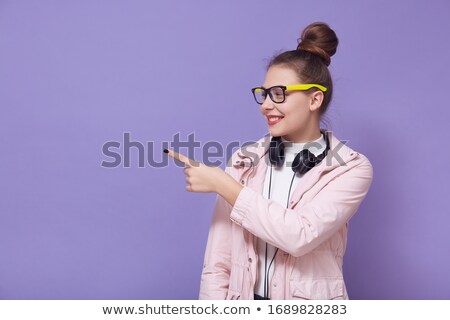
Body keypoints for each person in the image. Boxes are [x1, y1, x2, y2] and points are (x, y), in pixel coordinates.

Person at [165, 22, 373, 300]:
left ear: (315, 99)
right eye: (264, 94)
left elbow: (299, 236)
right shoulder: (243, 160)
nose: (265, 105)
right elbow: (218, 264)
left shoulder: (351, 169)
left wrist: (222, 184)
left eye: (279, 94)